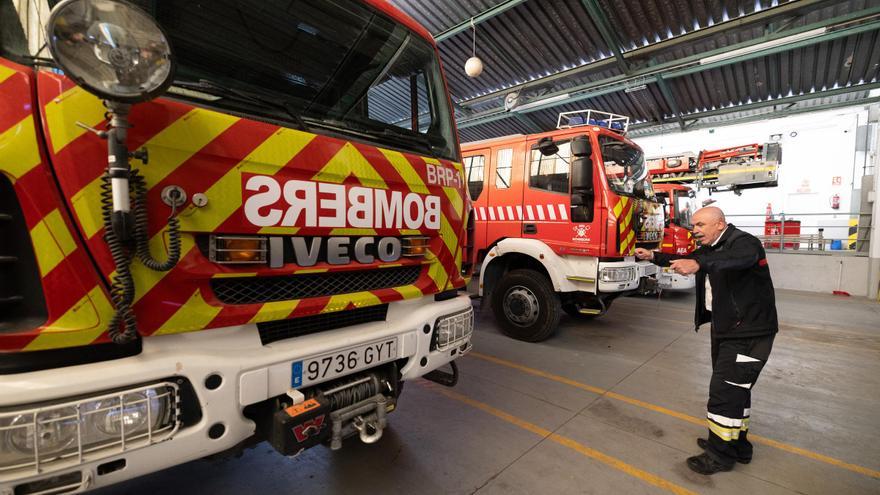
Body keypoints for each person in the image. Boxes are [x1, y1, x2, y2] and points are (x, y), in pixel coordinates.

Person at [635, 207, 778, 475]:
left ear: (720, 224)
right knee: (736, 391)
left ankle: (720, 455)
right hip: (728, 329)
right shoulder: (712, 247)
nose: (695, 230)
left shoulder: (745, 243)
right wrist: (653, 255)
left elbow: (735, 260)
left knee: (724, 394)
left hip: (747, 334)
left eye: (700, 224)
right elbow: (686, 258)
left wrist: (700, 264)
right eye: (693, 225)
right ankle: (735, 445)